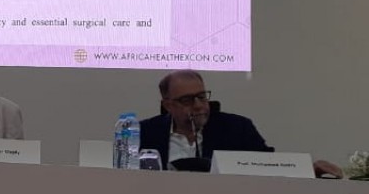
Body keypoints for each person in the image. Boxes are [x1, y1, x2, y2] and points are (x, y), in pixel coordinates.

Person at [137, 70, 341, 175]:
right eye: (187, 100)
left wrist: (308, 170)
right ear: (168, 105)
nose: (198, 105)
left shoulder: (237, 128)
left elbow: (269, 166)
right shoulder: (144, 132)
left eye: (202, 96)